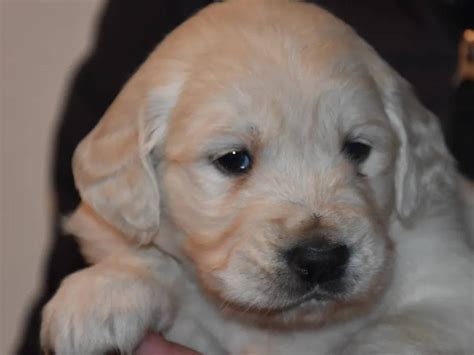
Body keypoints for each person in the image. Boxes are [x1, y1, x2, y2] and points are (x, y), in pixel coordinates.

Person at [15, 0, 473, 354]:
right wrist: (133, 275)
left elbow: (457, 313)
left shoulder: (426, 230)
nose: (317, 246)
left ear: (407, 146)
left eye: (356, 150)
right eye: (234, 159)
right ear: (140, 166)